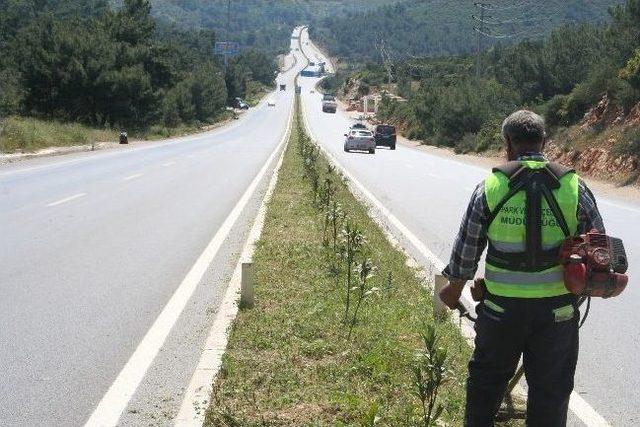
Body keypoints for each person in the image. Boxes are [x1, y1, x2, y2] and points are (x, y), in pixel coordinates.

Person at [438, 110, 605, 426]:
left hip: (501, 311)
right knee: (551, 394)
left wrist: (453, 289)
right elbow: (599, 252)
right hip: (558, 314)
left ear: (507, 144)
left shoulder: (490, 186)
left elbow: (467, 248)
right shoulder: (574, 187)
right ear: (544, 141)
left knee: (485, 386)